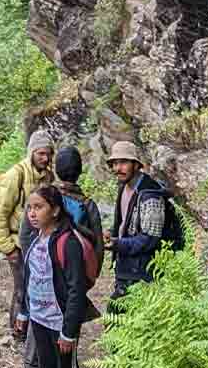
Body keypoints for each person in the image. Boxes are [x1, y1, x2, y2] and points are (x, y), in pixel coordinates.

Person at [15, 185, 93, 368]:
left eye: (38, 207)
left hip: (59, 323)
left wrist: (69, 331)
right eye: (29, 208)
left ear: (55, 210)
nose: (32, 213)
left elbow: (76, 289)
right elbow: (29, 279)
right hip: (38, 319)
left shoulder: (68, 243)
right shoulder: (35, 239)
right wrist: (24, 311)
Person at [0, 130, 55, 350]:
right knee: (21, 289)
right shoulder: (15, 175)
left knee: (36, 287)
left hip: (39, 243)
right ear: (31, 152)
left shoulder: (48, 176)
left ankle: (33, 334)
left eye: (48, 153)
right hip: (18, 243)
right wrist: (8, 248)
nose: (45, 158)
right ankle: (18, 334)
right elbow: (0, 212)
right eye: (41, 153)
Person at [103, 141, 169, 298]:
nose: (117, 168)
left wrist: (117, 244)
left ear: (136, 165)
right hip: (126, 269)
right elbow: (125, 224)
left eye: (123, 162)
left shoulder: (150, 195)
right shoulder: (124, 187)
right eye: (115, 163)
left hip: (143, 275)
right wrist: (111, 233)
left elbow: (150, 240)